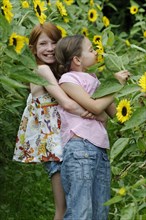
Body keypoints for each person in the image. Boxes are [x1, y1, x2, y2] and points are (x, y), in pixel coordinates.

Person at [13, 23, 101, 220]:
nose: (50, 48)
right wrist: (98, 115)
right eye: (43, 44)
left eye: (55, 42)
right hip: (54, 147)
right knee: (64, 208)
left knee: (75, 204)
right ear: (33, 49)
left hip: (66, 143)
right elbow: (67, 104)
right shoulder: (42, 70)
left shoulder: (59, 71)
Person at [55, 34, 130, 220]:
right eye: (91, 50)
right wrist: (115, 86)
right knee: (81, 212)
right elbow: (96, 106)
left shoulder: (95, 80)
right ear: (77, 59)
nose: (96, 52)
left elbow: (115, 114)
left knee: (99, 213)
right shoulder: (68, 79)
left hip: (100, 152)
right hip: (80, 150)